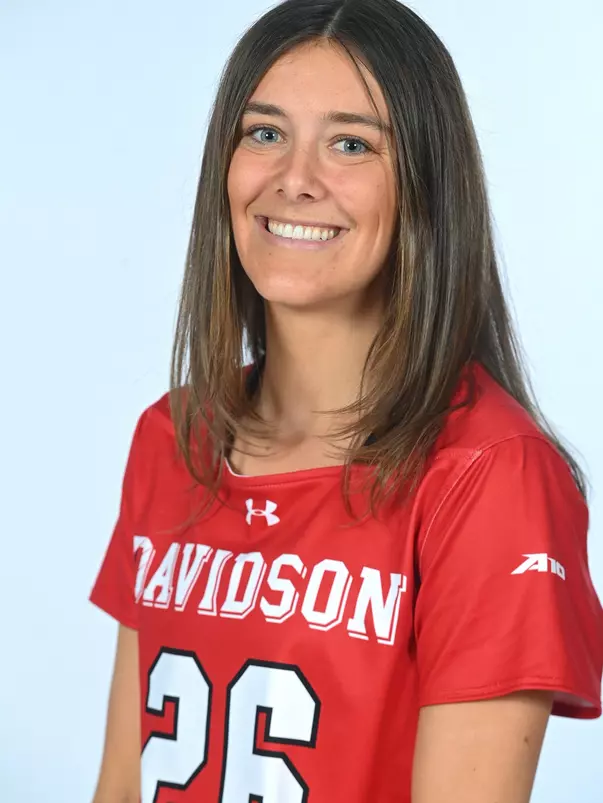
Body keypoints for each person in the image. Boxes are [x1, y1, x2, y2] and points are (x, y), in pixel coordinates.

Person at [89, 1, 603, 801]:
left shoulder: (487, 476)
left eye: (350, 144)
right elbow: (120, 785)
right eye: (263, 133)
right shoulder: (173, 435)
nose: (294, 179)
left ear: (426, 188)